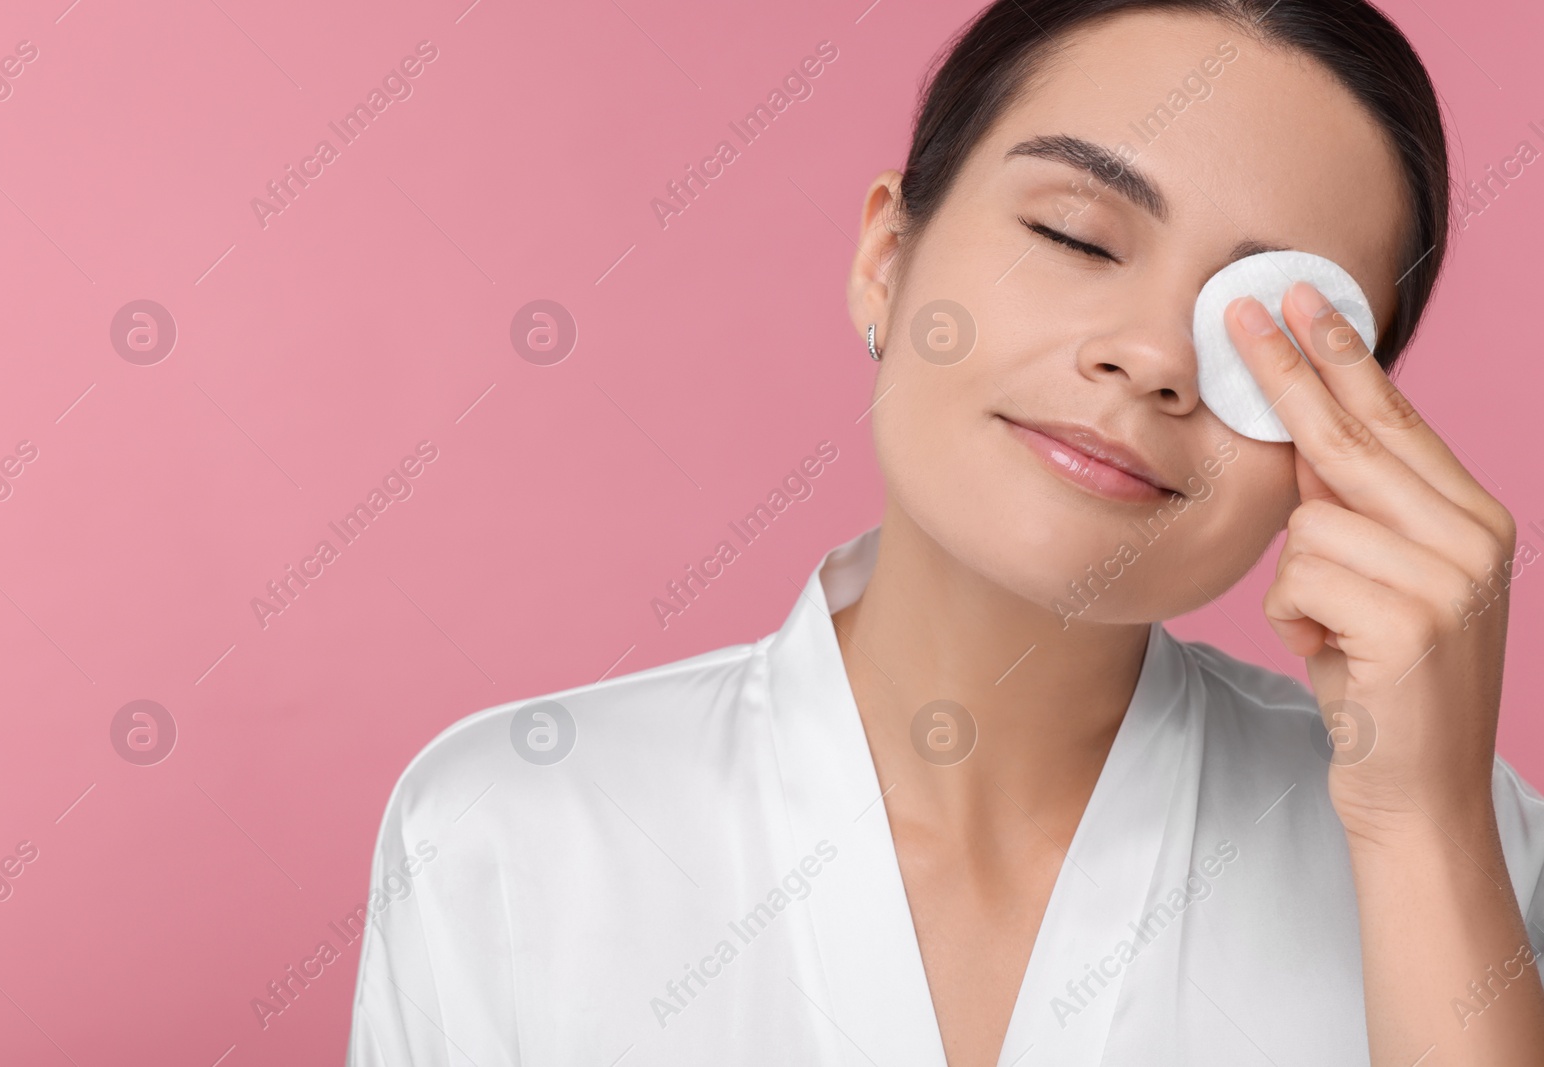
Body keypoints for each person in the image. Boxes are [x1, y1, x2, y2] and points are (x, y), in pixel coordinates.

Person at [345, 1, 1544, 1063]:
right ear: (886, 258)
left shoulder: (1468, 846)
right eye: (1075, 236)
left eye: (1265, 330)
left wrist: (1424, 834)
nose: (1153, 356)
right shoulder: (513, 828)